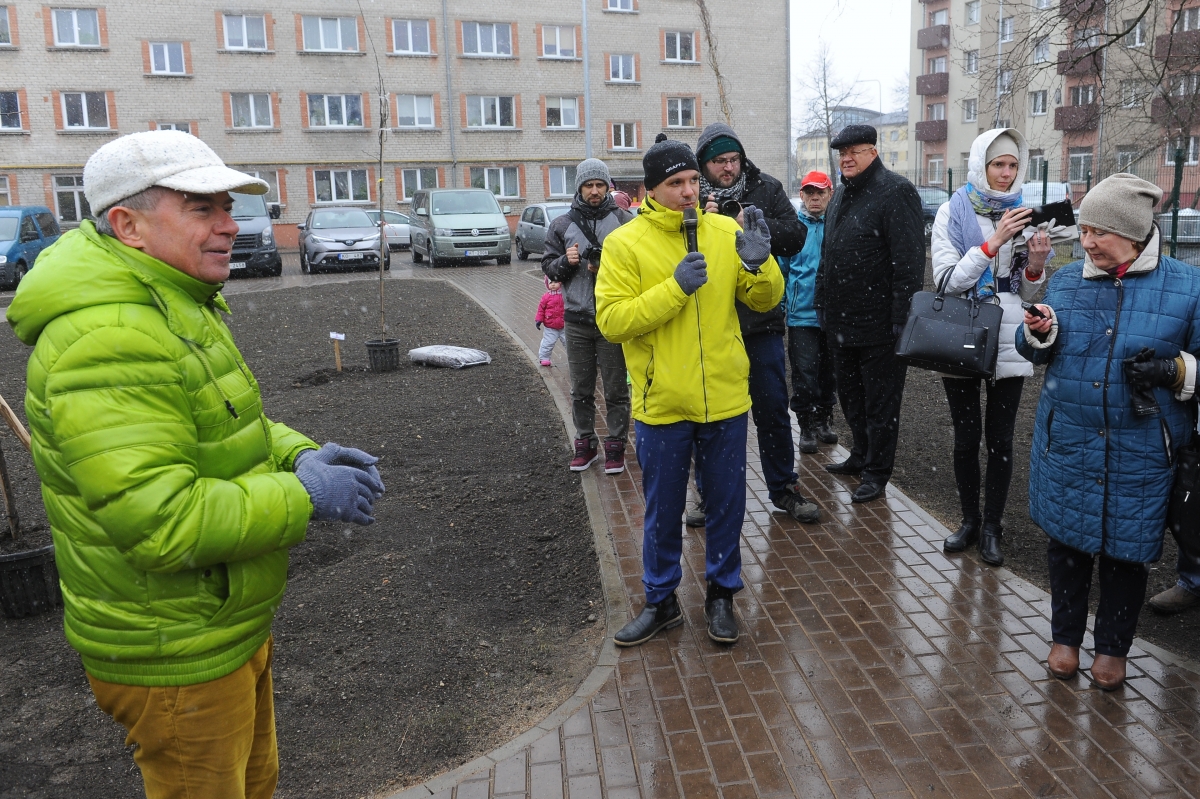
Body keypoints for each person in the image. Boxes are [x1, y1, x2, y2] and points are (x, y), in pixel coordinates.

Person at [5, 130, 385, 799]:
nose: (229, 225)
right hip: (175, 648)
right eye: (202, 208)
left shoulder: (169, 302)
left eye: (227, 208)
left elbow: (225, 423)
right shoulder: (108, 338)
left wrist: (298, 452)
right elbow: (163, 522)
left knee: (255, 783)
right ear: (128, 225)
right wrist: (303, 494)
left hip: (219, 622)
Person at [595, 134, 784, 646]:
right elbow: (613, 321)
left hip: (724, 397)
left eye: (693, 181)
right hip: (663, 401)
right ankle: (661, 602)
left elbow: (766, 300)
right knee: (662, 511)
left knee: (726, 506)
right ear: (651, 190)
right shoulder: (625, 244)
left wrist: (760, 264)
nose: (688, 192)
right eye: (675, 183)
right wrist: (675, 288)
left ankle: (722, 596)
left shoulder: (724, 231)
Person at [1018, 173, 1200, 690]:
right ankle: (1064, 639)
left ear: (1135, 233)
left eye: (1099, 231)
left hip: (1142, 448)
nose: (1087, 242)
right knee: (1067, 547)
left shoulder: (1188, 287)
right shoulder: (1068, 281)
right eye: (1084, 230)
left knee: (1127, 552)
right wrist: (1040, 331)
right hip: (1069, 441)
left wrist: (1175, 371)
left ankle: (1113, 649)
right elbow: (1036, 351)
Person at [686, 122, 819, 526]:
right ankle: (708, 494)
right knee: (709, 413)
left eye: (734, 159)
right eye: (719, 161)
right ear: (703, 164)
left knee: (773, 408)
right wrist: (704, 223)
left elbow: (796, 235)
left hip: (761, 322)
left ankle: (783, 487)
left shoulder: (767, 188)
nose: (728, 168)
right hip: (711, 322)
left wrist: (753, 226)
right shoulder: (689, 195)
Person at [931, 128, 1051, 567]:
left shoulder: (1025, 214)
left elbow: (1026, 291)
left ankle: (992, 527)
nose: (1006, 173)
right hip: (962, 330)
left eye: (1013, 165)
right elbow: (947, 281)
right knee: (966, 438)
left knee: (1001, 440)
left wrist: (1035, 264)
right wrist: (992, 243)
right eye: (998, 164)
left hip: (1010, 334)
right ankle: (968, 520)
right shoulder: (952, 211)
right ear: (981, 165)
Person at [814, 124, 925, 503]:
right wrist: (821, 302)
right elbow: (827, 255)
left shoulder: (896, 191)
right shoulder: (841, 195)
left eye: (854, 151)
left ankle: (877, 472)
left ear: (873, 153)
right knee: (851, 397)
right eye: (842, 153)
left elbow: (909, 262)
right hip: (840, 322)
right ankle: (860, 455)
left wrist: (900, 318)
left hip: (880, 325)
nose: (846, 159)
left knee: (881, 403)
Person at [543, 158, 634, 474]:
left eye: (599, 185)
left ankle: (616, 445)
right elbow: (549, 267)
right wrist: (566, 263)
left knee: (616, 389)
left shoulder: (625, 221)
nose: (594, 191)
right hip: (577, 319)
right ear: (579, 188)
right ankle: (585, 443)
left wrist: (606, 267)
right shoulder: (561, 224)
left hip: (613, 318)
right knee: (580, 389)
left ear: (607, 186)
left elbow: (637, 267)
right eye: (588, 185)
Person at [783, 171, 839, 454]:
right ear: (802, 195)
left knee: (829, 373)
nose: (815, 198)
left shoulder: (837, 226)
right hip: (801, 315)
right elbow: (782, 269)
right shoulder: (793, 229)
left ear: (830, 194)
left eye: (820, 193)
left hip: (832, 315)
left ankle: (823, 419)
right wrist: (781, 306)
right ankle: (805, 424)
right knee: (804, 374)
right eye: (810, 193)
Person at [535, 275, 566, 367]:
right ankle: (544, 358)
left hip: (564, 325)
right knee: (548, 343)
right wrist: (539, 319)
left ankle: (575, 358)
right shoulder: (546, 297)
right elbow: (541, 309)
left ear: (560, 283)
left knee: (569, 343)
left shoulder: (564, 295)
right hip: (550, 326)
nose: (553, 284)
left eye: (555, 282)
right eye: (550, 282)